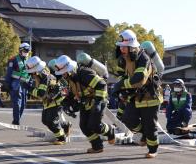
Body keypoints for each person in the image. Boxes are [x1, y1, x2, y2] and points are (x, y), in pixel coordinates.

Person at [111, 30, 163, 158]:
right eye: (120, 46)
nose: (121, 49)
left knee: (150, 126)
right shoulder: (124, 59)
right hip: (135, 96)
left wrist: (121, 85)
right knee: (128, 119)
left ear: (132, 46)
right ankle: (144, 134)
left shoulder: (143, 58)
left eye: (124, 47)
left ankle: (152, 150)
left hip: (150, 97)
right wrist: (120, 90)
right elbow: (122, 76)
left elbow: (139, 79)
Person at [55, 55, 115, 153]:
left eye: (63, 72)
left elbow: (101, 85)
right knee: (84, 126)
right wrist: (67, 103)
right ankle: (97, 146)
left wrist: (98, 102)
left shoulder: (84, 73)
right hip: (85, 101)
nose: (62, 75)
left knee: (95, 125)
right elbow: (73, 93)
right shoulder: (70, 78)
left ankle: (110, 130)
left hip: (98, 99)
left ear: (69, 69)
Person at [26, 56, 71, 145]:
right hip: (49, 101)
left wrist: (28, 88)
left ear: (35, 69)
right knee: (45, 120)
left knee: (51, 122)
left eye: (31, 72)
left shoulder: (44, 77)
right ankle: (65, 125)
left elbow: (41, 93)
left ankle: (61, 138)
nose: (30, 74)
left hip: (55, 101)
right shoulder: (40, 74)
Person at [5, 43, 31, 125]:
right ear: (20, 50)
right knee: (17, 103)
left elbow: (30, 73)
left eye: (28, 51)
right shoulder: (13, 59)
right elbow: (9, 72)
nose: (27, 52)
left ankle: (17, 119)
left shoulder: (29, 60)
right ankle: (16, 120)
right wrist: (7, 84)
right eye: (25, 50)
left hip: (25, 84)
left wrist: (30, 84)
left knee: (23, 104)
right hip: (16, 83)